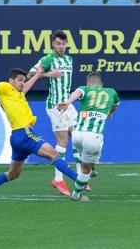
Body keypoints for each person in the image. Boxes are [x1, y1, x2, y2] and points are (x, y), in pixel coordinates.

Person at [0, 67, 78, 199]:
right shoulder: (5, 87)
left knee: (12, 174)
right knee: (54, 154)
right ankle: (79, 180)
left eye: (23, 80)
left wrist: (37, 75)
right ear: (10, 81)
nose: (22, 83)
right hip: (25, 133)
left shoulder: (18, 93)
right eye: (19, 80)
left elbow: (26, 88)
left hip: (17, 138)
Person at [28, 30, 80, 197]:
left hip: (68, 104)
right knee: (62, 140)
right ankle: (58, 179)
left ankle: (81, 176)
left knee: (77, 137)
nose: (61, 46)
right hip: (55, 106)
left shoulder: (69, 59)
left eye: (64, 44)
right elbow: (30, 74)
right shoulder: (47, 59)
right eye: (58, 43)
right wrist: (49, 74)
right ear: (53, 44)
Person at [57, 72, 120, 202]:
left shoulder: (84, 89)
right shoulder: (111, 92)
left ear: (88, 83)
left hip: (76, 135)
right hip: (93, 136)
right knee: (85, 169)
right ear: (101, 84)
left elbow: (77, 93)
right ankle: (76, 195)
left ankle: (90, 167)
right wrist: (110, 112)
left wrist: (68, 102)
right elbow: (115, 105)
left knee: (86, 155)